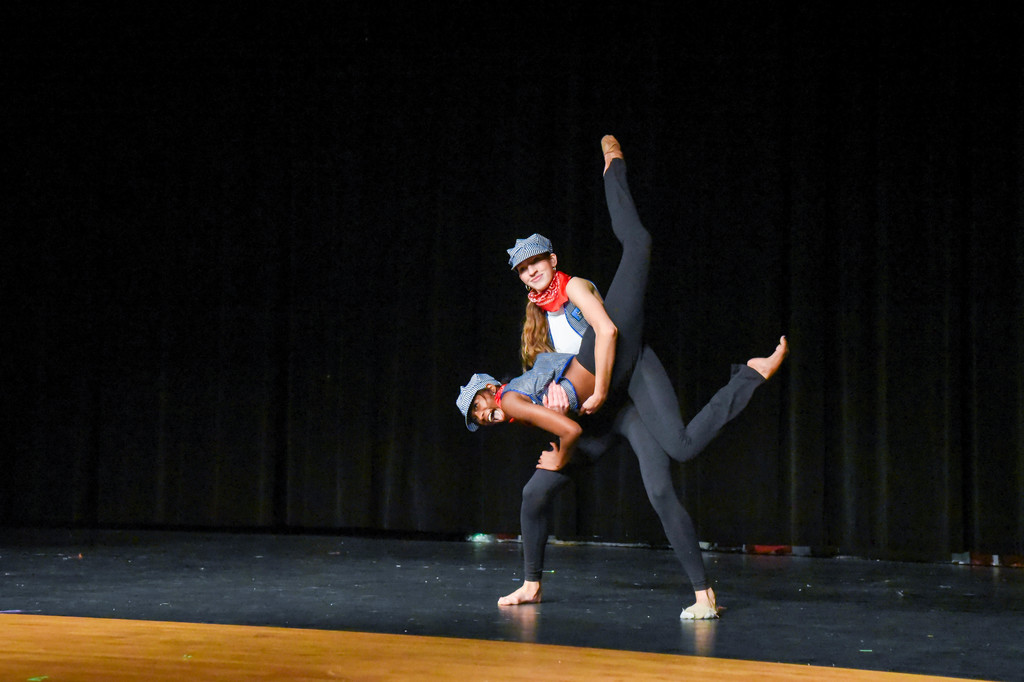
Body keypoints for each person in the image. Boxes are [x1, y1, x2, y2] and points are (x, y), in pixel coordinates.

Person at [456, 135, 788, 619]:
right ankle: (531, 584)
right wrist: (555, 406)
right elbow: (553, 379)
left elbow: (607, 333)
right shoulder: (537, 329)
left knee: (673, 461)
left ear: (552, 261)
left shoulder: (577, 288)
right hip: (599, 411)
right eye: (523, 272)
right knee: (534, 492)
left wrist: (597, 391)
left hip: (625, 381)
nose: (532, 275)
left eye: (537, 264)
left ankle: (703, 591)